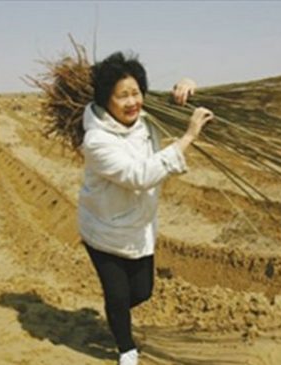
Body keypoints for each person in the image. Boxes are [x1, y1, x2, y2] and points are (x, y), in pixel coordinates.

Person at [78, 52, 214, 365]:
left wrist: (188, 87)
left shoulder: (148, 119)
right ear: (106, 100)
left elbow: (201, 111)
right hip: (104, 229)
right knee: (119, 295)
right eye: (122, 96)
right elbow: (139, 177)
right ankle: (126, 349)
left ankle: (117, 311)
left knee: (142, 291)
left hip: (139, 227)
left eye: (136, 93)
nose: (132, 102)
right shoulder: (97, 140)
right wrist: (188, 137)